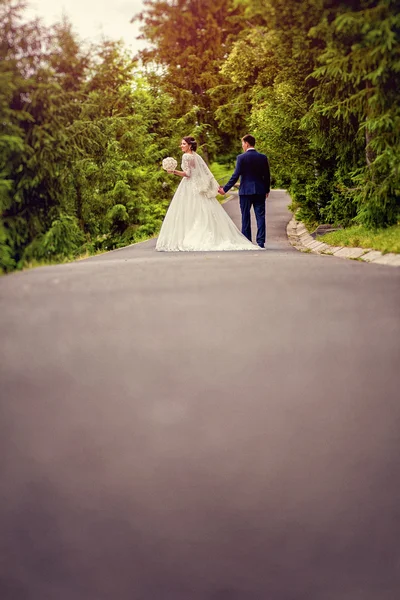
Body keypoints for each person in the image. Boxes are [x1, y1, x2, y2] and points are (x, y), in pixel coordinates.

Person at [156, 137, 260, 252]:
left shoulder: (186, 156)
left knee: (187, 210)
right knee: (201, 210)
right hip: (198, 187)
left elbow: (188, 174)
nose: (181, 146)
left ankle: (188, 235)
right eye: (181, 144)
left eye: (183, 144)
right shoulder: (197, 156)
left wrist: (173, 171)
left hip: (189, 186)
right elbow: (203, 173)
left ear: (190, 145)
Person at [218, 134, 270, 248]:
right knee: (260, 216)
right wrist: (266, 190)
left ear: (246, 143)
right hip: (260, 190)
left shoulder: (241, 158)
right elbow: (267, 175)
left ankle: (247, 240)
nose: (242, 146)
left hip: (245, 191)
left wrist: (225, 189)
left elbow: (235, 175)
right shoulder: (263, 157)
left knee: (245, 216)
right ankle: (260, 242)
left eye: (242, 144)